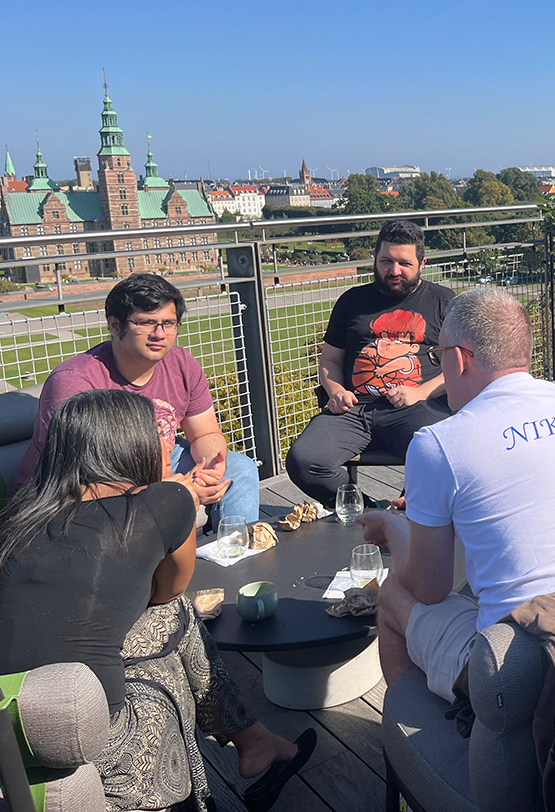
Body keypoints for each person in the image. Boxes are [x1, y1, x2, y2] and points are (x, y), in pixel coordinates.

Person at [0, 390, 313, 812]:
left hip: (12, 721)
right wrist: (177, 490)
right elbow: (170, 587)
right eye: (159, 444)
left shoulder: (18, 518)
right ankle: (187, 798)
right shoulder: (160, 503)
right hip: (90, 730)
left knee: (163, 619)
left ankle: (254, 741)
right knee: (169, 634)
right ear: (135, 449)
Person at [356, 287, 555, 698]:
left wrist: (394, 529)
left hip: (530, 666)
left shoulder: (438, 443)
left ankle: (416, 735)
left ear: (458, 359)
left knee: (392, 595)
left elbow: (429, 589)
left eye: (437, 354)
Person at [16, 273, 259, 526]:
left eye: (169, 323)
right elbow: (77, 476)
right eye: (146, 323)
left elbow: (205, 434)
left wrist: (209, 469)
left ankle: (235, 552)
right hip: (79, 489)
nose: (160, 334)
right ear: (114, 325)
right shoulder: (75, 382)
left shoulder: (182, 364)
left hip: (157, 464)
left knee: (239, 470)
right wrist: (172, 492)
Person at [285, 219, 454, 507]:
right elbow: (330, 360)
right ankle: (367, 510)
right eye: (386, 261)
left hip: (417, 409)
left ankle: (407, 510)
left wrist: (421, 392)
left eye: (404, 263)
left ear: (422, 263)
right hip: (354, 410)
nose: (394, 271)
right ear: (374, 258)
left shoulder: (443, 302)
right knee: (305, 460)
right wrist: (336, 390)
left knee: (445, 456)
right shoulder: (352, 301)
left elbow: (460, 366)